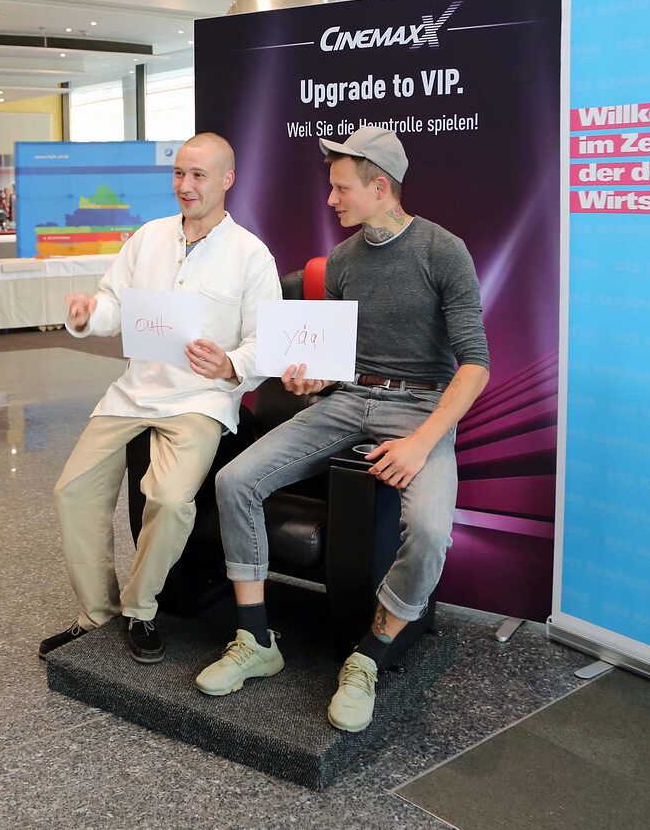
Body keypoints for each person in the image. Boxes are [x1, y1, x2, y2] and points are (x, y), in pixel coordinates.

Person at [196, 127, 490, 733]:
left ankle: (370, 656)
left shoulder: (443, 251)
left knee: (431, 530)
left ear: (379, 187)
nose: (331, 199)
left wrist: (420, 441)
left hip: (422, 409)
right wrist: (312, 382)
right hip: (350, 400)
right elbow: (339, 366)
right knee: (236, 481)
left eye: (340, 187)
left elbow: (476, 365)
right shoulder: (343, 263)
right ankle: (255, 639)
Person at [40, 133, 280, 663]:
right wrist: (87, 314)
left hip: (200, 399)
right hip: (134, 391)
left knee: (171, 500)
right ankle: (96, 615)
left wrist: (231, 365)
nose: (186, 186)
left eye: (198, 176)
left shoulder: (250, 255)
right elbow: (112, 303)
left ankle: (140, 608)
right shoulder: (148, 237)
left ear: (227, 180)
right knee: (71, 491)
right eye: (179, 174)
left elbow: (268, 341)